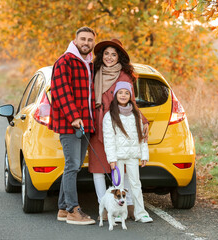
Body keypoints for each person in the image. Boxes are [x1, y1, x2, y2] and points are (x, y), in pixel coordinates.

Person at [88, 38, 148, 220]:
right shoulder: (94, 72)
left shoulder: (124, 76)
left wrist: (142, 120)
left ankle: (129, 205)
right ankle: (104, 207)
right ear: (101, 55)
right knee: (98, 167)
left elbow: (131, 101)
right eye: (106, 53)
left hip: (120, 124)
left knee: (125, 169)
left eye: (114, 54)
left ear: (119, 57)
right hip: (98, 124)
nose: (109, 57)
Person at [48, 26, 96, 225]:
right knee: (72, 165)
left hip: (85, 123)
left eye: (90, 40)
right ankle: (73, 210)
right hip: (70, 124)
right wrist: (74, 116)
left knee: (74, 166)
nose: (86, 43)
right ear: (75, 41)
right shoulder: (64, 61)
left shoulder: (89, 63)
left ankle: (62, 208)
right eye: (83, 39)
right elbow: (60, 92)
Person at [102, 81, 153, 223]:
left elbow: (142, 136)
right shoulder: (110, 116)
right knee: (118, 187)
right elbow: (108, 139)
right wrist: (111, 159)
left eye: (126, 93)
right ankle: (118, 214)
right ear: (116, 95)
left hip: (132, 156)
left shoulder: (136, 114)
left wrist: (144, 154)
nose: (123, 95)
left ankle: (141, 213)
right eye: (120, 93)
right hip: (117, 157)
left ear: (130, 95)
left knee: (136, 184)